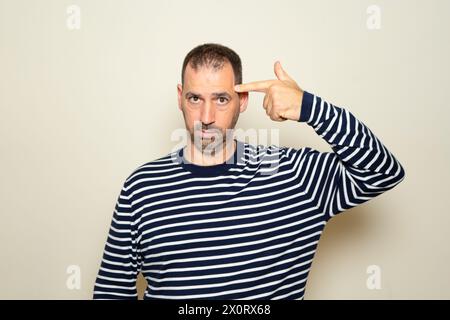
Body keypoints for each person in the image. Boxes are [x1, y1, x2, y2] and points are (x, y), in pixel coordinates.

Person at [93, 43, 405, 300]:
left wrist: (310, 108)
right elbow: (111, 293)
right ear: (180, 97)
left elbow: (382, 171)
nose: (206, 116)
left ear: (242, 100)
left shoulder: (293, 174)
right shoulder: (142, 187)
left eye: (221, 99)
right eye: (194, 98)